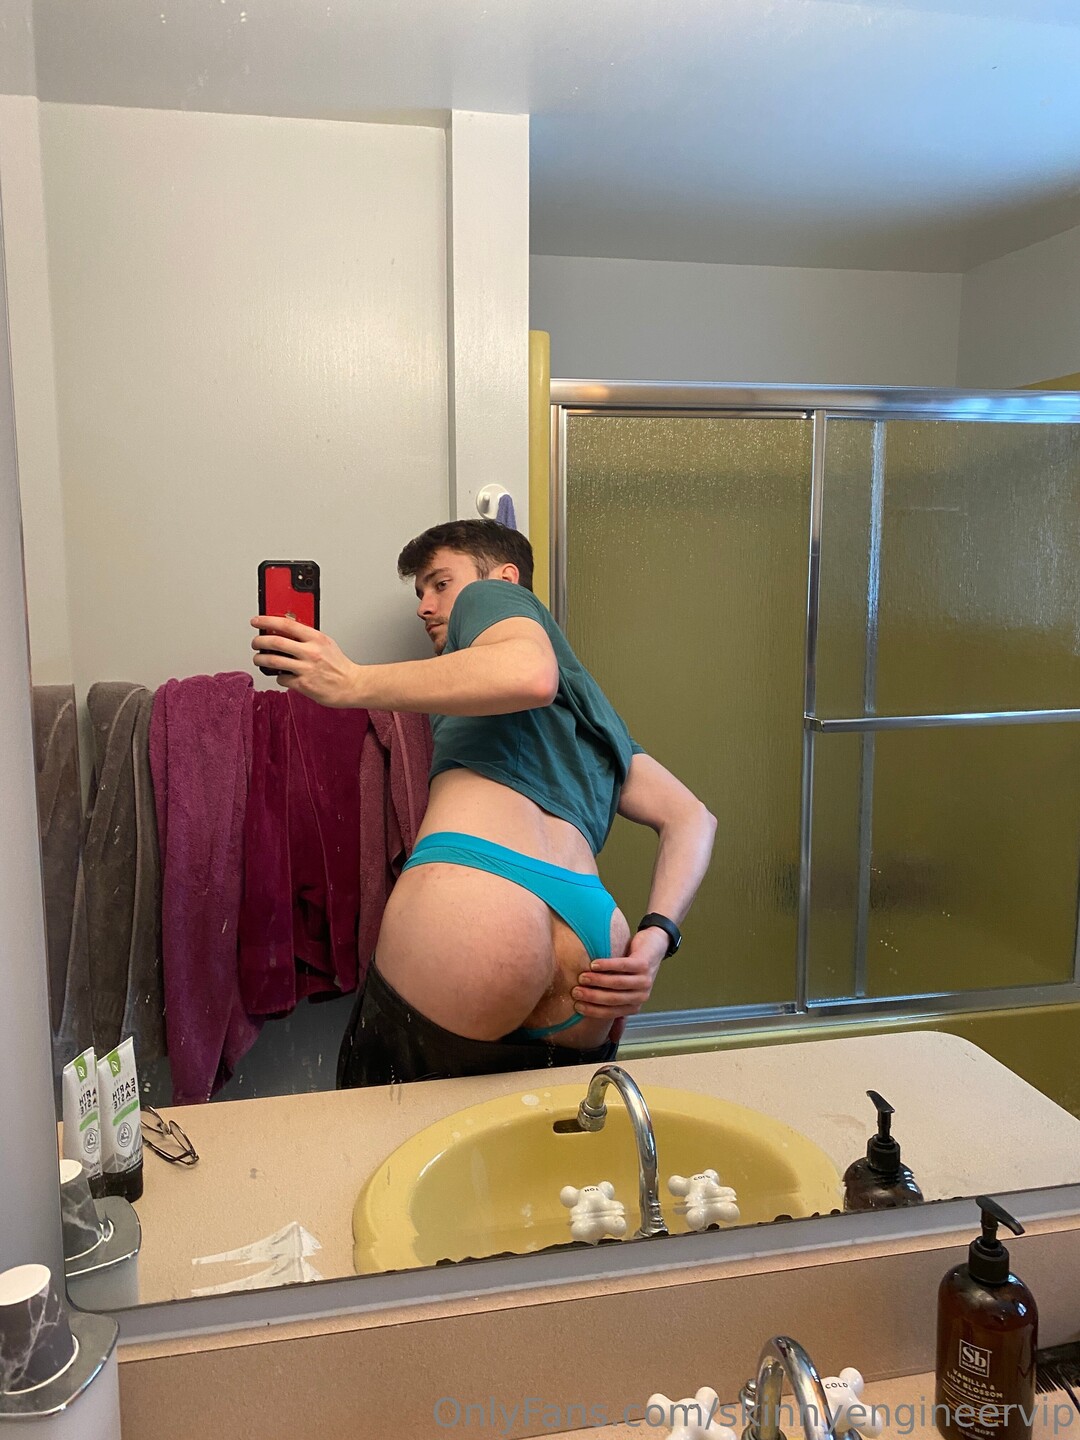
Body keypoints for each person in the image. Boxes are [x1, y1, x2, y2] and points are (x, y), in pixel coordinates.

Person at [251, 519, 716, 1085]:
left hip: (480, 893)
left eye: (440, 583)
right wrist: (654, 940)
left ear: (506, 578)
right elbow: (693, 818)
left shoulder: (491, 597)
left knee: (391, 1132)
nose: (425, 606)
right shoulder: (599, 718)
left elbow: (528, 673)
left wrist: (350, 681)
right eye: (420, 592)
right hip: (595, 941)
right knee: (542, 1139)